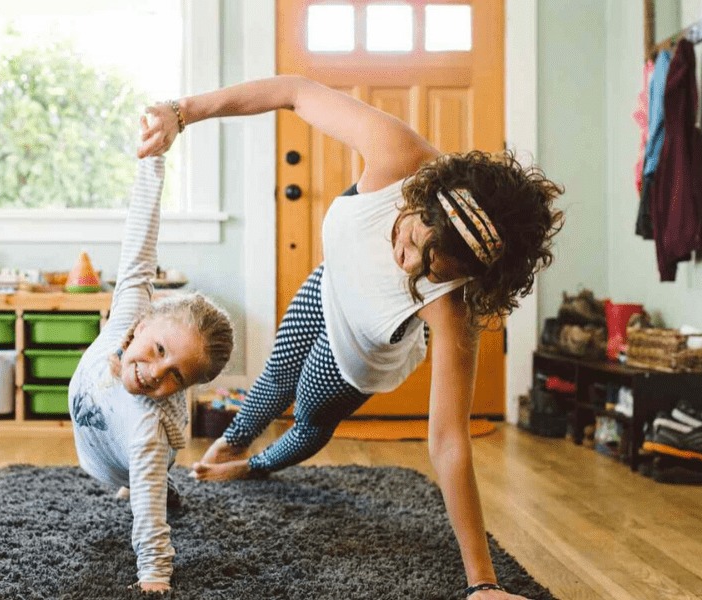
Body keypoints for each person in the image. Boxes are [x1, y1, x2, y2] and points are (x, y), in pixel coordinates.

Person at [138, 75, 563, 600]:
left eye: (429, 268)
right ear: (421, 196)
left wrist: (482, 583)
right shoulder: (400, 155)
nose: (406, 258)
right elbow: (293, 91)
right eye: (410, 235)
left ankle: (255, 465)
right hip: (329, 284)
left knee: (311, 414)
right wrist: (182, 112)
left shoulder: (455, 309)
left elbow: (449, 442)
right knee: (274, 378)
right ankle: (234, 440)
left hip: (359, 351)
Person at [69, 155, 234, 594]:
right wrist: (152, 164)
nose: (153, 372)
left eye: (175, 376)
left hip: (132, 459)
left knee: (148, 489)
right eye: (158, 350)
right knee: (146, 481)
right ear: (142, 323)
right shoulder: (129, 315)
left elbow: (149, 523)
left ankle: (165, 487)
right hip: (103, 449)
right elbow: (139, 248)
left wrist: (154, 576)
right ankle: (158, 485)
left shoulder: (146, 431)